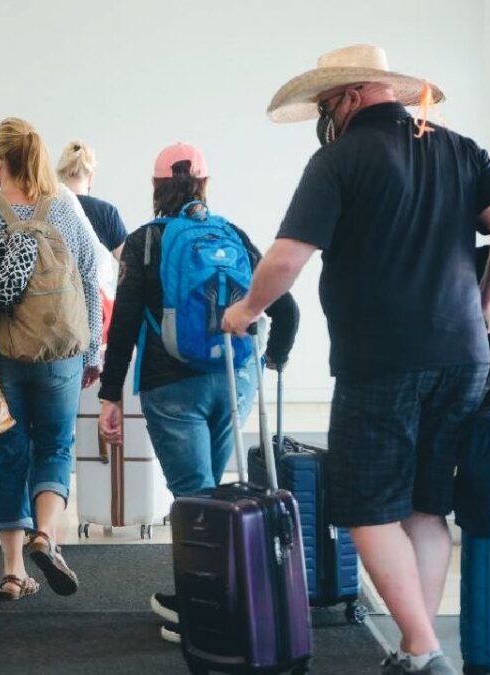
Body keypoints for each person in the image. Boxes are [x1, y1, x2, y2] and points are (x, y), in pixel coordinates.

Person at [220, 45, 490, 675]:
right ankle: (421, 648)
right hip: (464, 354)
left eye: (328, 104)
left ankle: (422, 646)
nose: (325, 117)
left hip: (383, 358)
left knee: (365, 506)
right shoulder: (461, 148)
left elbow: (286, 259)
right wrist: (488, 300)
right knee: (424, 505)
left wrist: (246, 311)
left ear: (354, 95)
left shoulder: (338, 159)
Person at [97, 143, 299, 643]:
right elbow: (286, 307)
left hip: (172, 385)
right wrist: (272, 360)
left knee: (196, 498)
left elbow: (123, 325)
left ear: (156, 188)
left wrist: (110, 396)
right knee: (216, 495)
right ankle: (223, 598)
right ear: (205, 185)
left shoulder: (146, 242)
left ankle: (209, 616)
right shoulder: (234, 236)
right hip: (235, 378)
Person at [0, 117, 102, 601]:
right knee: (55, 445)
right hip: (61, 350)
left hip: (2, 349)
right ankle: (46, 535)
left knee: (9, 451)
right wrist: (93, 348)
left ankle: (13, 571)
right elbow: (91, 283)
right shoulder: (64, 210)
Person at [57, 140, 127, 258]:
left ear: (59, 175)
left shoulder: (48, 209)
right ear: (91, 177)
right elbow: (128, 264)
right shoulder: (107, 213)